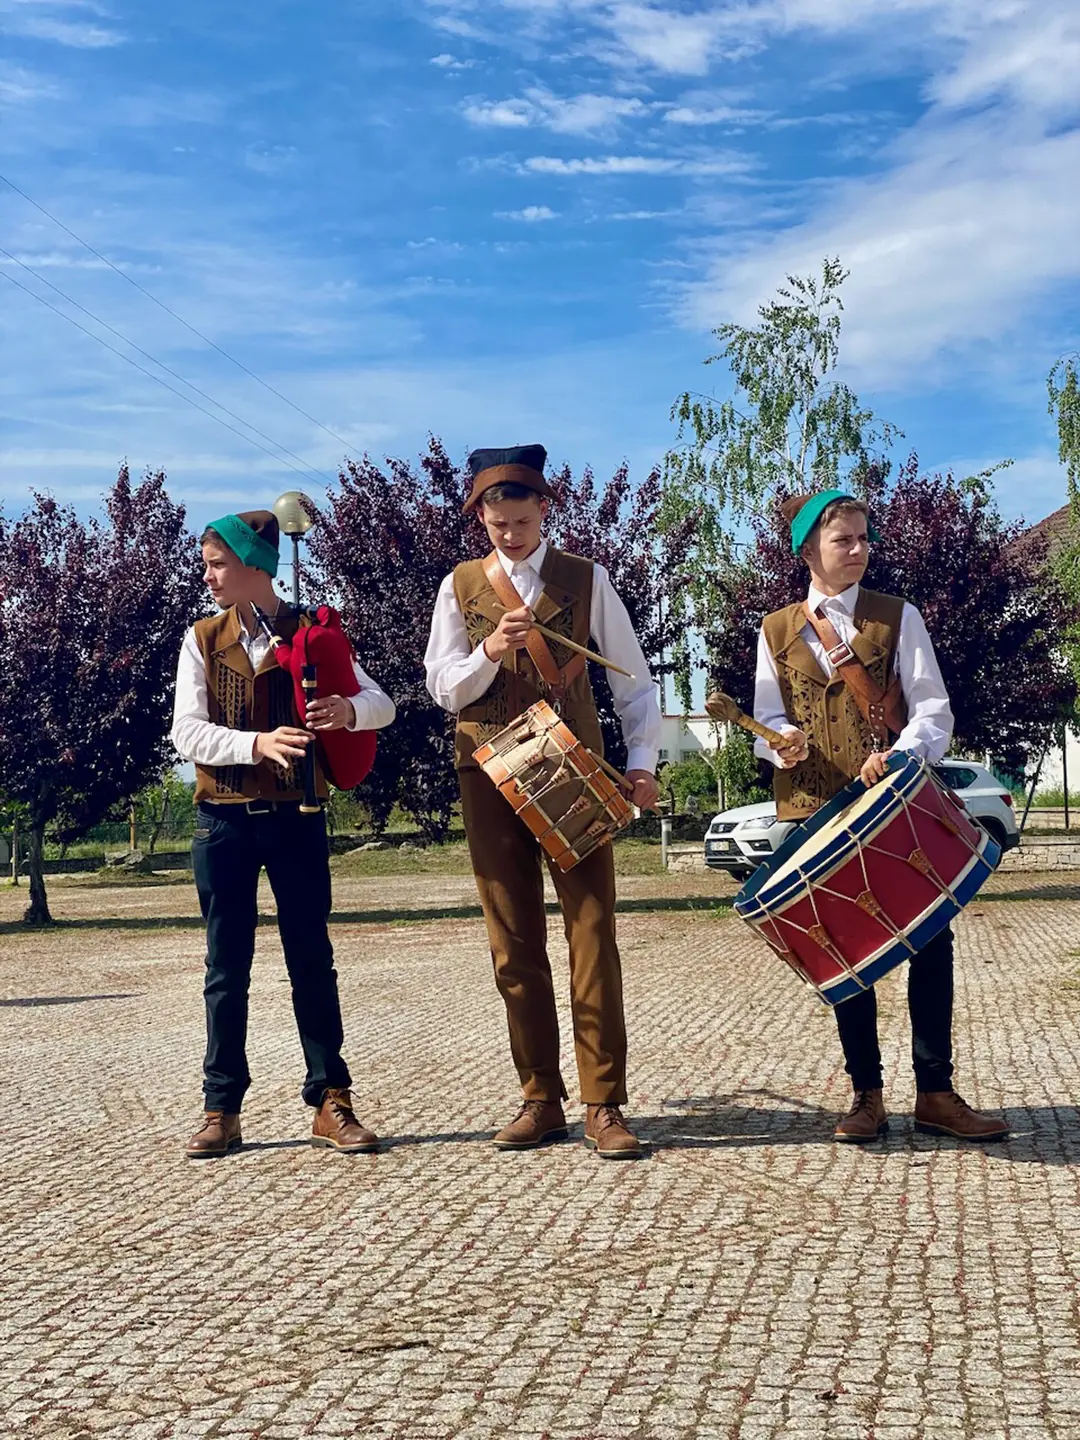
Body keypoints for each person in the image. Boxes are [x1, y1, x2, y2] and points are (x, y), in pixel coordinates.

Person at [424, 446, 661, 1158]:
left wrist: (641, 763)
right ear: (481, 518)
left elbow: (634, 683)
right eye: (497, 524)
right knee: (512, 941)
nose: (510, 535)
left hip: (571, 766)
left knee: (591, 930)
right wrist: (490, 650)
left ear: (545, 510)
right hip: (487, 771)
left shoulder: (586, 578)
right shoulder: (460, 585)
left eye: (522, 522)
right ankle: (540, 1098)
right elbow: (443, 688)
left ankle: (603, 1103)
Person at [753, 490, 1008, 1144]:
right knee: (841, 950)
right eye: (844, 540)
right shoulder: (775, 629)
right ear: (809, 551)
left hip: (895, 803)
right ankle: (866, 1096)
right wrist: (780, 741)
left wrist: (899, 755)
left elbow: (932, 709)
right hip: (816, 810)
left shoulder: (899, 616)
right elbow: (766, 717)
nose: (860, 550)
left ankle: (936, 1093)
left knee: (932, 939)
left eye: (865, 538)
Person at [171, 510, 396, 1158]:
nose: (208, 576)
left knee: (311, 960)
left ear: (254, 566)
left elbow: (383, 704)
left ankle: (331, 1100)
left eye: (218, 564)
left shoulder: (314, 632)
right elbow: (186, 732)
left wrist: (348, 710)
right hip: (222, 822)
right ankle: (221, 1108)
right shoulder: (202, 638)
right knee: (225, 969)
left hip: (299, 818)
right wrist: (256, 744)